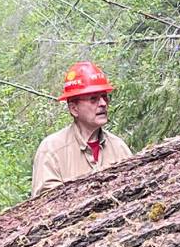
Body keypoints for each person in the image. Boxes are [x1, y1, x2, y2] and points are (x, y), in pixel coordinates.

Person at [31, 61, 133, 197]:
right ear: (74, 109)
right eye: (93, 99)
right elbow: (43, 206)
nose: (103, 104)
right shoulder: (52, 149)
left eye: (104, 97)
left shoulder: (119, 148)